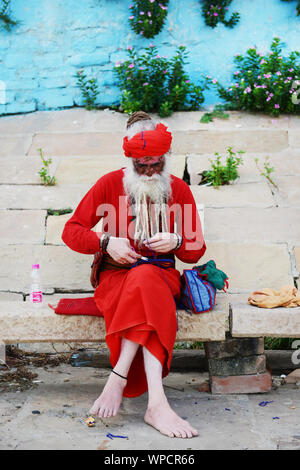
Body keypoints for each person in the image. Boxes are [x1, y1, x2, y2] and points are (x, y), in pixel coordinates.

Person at [61, 111, 206, 439]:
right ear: (129, 160)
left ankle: (118, 377)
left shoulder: (178, 189)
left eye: (157, 163)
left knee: (146, 280)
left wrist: (178, 240)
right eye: (143, 165)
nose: (151, 171)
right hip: (115, 278)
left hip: (162, 275)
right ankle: (157, 404)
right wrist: (106, 242)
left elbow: (195, 250)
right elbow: (71, 231)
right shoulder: (110, 184)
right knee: (142, 282)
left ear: (165, 157)